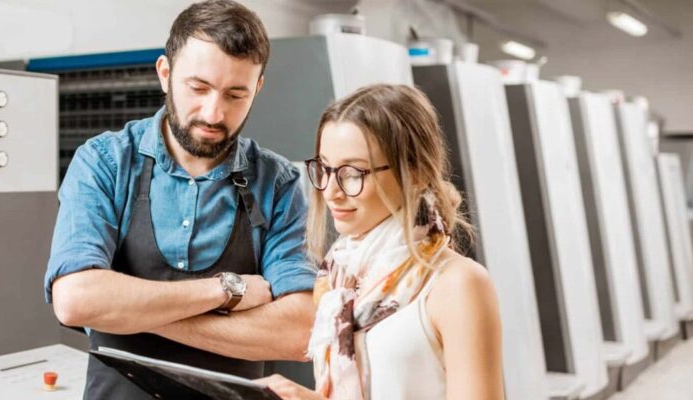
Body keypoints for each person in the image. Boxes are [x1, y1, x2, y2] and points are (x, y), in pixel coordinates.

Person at [43, 1, 317, 398]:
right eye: (198, 88)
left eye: (235, 94)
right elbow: (75, 300)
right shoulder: (105, 162)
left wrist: (127, 314)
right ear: (165, 73)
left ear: (257, 88)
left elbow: (299, 332)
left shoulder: (278, 184)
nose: (213, 113)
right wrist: (227, 290)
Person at [258, 84, 505, 400]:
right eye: (325, 168)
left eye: (353, 173)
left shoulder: (457, 284)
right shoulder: (337, 280)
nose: (331, 191)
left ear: (415, 172)